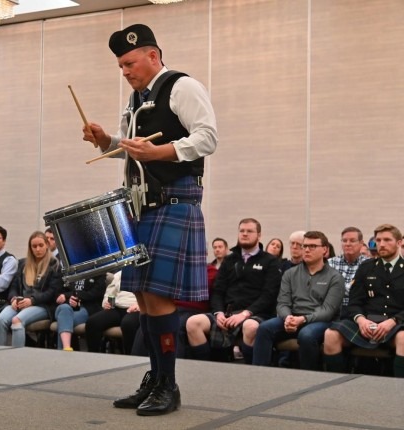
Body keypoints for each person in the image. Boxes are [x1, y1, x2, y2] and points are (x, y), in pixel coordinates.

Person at [83, 24, 217, 415]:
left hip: (174, 201)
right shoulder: (136, 99)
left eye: (129, 63)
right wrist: (106, 140)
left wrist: (158, 153)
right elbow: (131, 148)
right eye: (120, 66)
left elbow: (207, 138)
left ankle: (168, 385)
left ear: (153, 55)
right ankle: (156, 379)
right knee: (142, 298)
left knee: (157, 298)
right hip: (142, 205)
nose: (124, 71)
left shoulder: (182, 86)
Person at [186, 218, 281, 364]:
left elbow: (269, 295)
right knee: (193, 323)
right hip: (227, 313)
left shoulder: (270, 261)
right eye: (242, 231)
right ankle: (206, 367)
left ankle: (251, 371)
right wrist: (218, 313)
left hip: (256, 313)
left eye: (249, 231)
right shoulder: (229, 260)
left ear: (259, 235)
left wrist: (245, 314)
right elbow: (218, 291)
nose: (244, 234)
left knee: (251, 326)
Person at [252, 231, 344, 370]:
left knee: (306, 335)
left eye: (312, 246)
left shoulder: (335, 277)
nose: (306, 250)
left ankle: (309, 377)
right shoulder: (290, 273)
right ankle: (259, 374)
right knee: (264, 328)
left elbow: (328, 311)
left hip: (321, 321)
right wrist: (287, 317)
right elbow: (283, 303)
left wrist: (303, 319)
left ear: (325, 250)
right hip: (292, 318)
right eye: (304, 246)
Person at [323, 224, 404, 377]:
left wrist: (393, 321)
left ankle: (400, 387)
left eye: (387, 240)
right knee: (331, 335)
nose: (382, 244)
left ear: (399, 242)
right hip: (365, 323)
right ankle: (336, 383)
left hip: (396, 325)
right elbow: (354, 302)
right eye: (378, 240)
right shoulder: (366, 267)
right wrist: (361, 320)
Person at [0, 231, 61, 347]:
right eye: (34, 246)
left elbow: (52, 292)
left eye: (41, 245)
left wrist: (32, 300)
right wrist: (13, 298)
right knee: (0, 320)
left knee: (17, 321)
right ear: (30, 248)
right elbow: (14, 286)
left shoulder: (54, 265)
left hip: (42, 305)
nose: (38, 249)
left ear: (46, 245)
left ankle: (18, 355)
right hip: (20, 302)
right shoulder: (22, 264)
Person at [85, 272, 141, 355]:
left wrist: (139, 305)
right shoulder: (121, 273)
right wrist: (108, 302)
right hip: (117, 307)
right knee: (92, 322)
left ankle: (131, 358)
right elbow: (111, 292)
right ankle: (93, 357)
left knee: (128, 324)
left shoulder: (148, 272)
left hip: (137, 309)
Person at [327, 227, 368, 316]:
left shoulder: (368, 265)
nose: (348, 244)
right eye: (344, 241)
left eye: (352, 241)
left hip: (358, 312)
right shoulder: (330, 263)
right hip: (332, 311)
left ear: (361, 243)